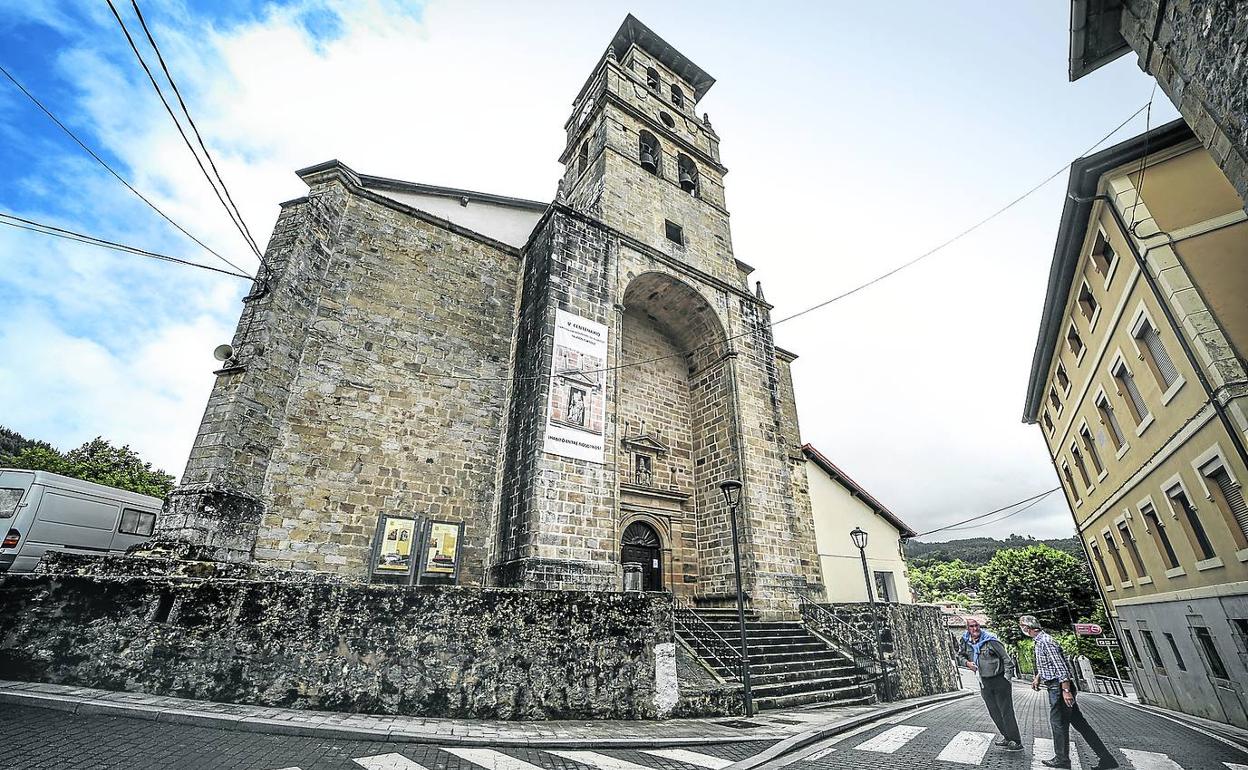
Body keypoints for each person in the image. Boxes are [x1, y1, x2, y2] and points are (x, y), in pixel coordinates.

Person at [1019, 615, 1118, 770]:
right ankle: (1107, 759)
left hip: (1058, 688)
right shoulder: (1039, 641)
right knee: (1080, 724)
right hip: (1055, 686)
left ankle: (1062, 759)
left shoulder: (1046, 641)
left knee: (1058, 724)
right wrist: (1038, 677)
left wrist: (1066, 690)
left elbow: (1061, 668)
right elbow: (1048, 664)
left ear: (1027, 628)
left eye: (1022, 626)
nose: (1022, 629)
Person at [959, 620, 1022, 751]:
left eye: (977, 626)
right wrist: (967, 663)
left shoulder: (991, 641)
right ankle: (1007, 737)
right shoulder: (965, 641)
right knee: (994, 712)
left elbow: (1007, 660)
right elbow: (959, 656)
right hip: (983, 681)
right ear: (967, 629)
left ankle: (1016, 741)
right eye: (972, 626)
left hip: (999, 680)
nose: (975, 628)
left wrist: (1007, 679)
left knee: (1006, 711)